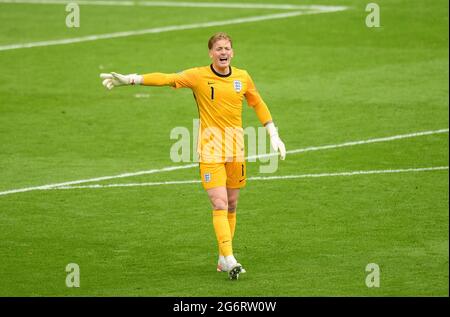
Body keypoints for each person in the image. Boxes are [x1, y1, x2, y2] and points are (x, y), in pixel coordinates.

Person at [100, 32, 286, 280]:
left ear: (233, 52)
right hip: (210, 152)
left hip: (236, 151)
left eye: (227, 48)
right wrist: (131, 79)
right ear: (210, 53)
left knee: (232, 204)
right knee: (219, 203)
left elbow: (258, 103)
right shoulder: (198, 76)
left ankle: (222, 257)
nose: (223, 53)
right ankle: (230, 258)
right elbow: (167, 79)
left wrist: (273, 133)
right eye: (218, 48)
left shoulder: (243, 77)